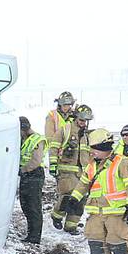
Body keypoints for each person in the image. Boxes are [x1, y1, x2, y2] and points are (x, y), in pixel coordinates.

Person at [66, 128, 128, 254]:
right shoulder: (92, 165)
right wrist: (73, 199)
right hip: (96, 214)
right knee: (96, 244)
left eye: (93, 149)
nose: (91, 152)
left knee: (117, 243)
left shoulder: (123, 163)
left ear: (103, 148)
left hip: (117, 213)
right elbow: (83, 184)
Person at [50, 104, 93, 233]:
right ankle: (56, 216)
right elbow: (54, 147)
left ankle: (71, 226)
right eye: (81, 120)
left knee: (80, 200)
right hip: (66, 172)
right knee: (66, 197)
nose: (83, 123)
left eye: (85, 121)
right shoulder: (65, 130)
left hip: (82, 173)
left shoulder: (87, 135)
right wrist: (53, 165)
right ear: (76, 118)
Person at [18, 116, 47, 244]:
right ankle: (31, 233)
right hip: (26, 175)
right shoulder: (24, 139)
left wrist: (22, 170)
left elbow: (35, 161)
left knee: (33, 206)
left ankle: (35, 237)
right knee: (25, 205)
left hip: (34, 175)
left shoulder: (37, 140)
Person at [45, 91, 77, 176]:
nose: (66, 107)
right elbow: (50, 137)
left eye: (69, 105)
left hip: (72, 150)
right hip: (58, 151)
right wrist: (54, 155)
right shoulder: (52, 116)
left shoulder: (75, 116)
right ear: (59, 104)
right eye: (64, 105)